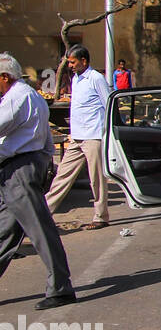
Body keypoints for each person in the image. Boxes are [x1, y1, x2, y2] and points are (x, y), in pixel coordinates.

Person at [0, 53, 77, 309]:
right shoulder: (29, 96)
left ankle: (60, 287)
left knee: (40, 230)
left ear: (4, 77)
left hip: (19, 170)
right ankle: (60, 285)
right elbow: (44, 141)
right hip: (21, 168)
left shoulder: (17, 98)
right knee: (5, 233)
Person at [45, 44, 112, 230]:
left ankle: (101, 216)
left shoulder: (96, 78)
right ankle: (44, 211)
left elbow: (108, 104)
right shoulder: (76, 79)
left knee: (96, 178)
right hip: (76, 136)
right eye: (69, 63)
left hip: (93, 136)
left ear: (84, 61)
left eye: (73, 62)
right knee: (62, 175)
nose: (71, 66)